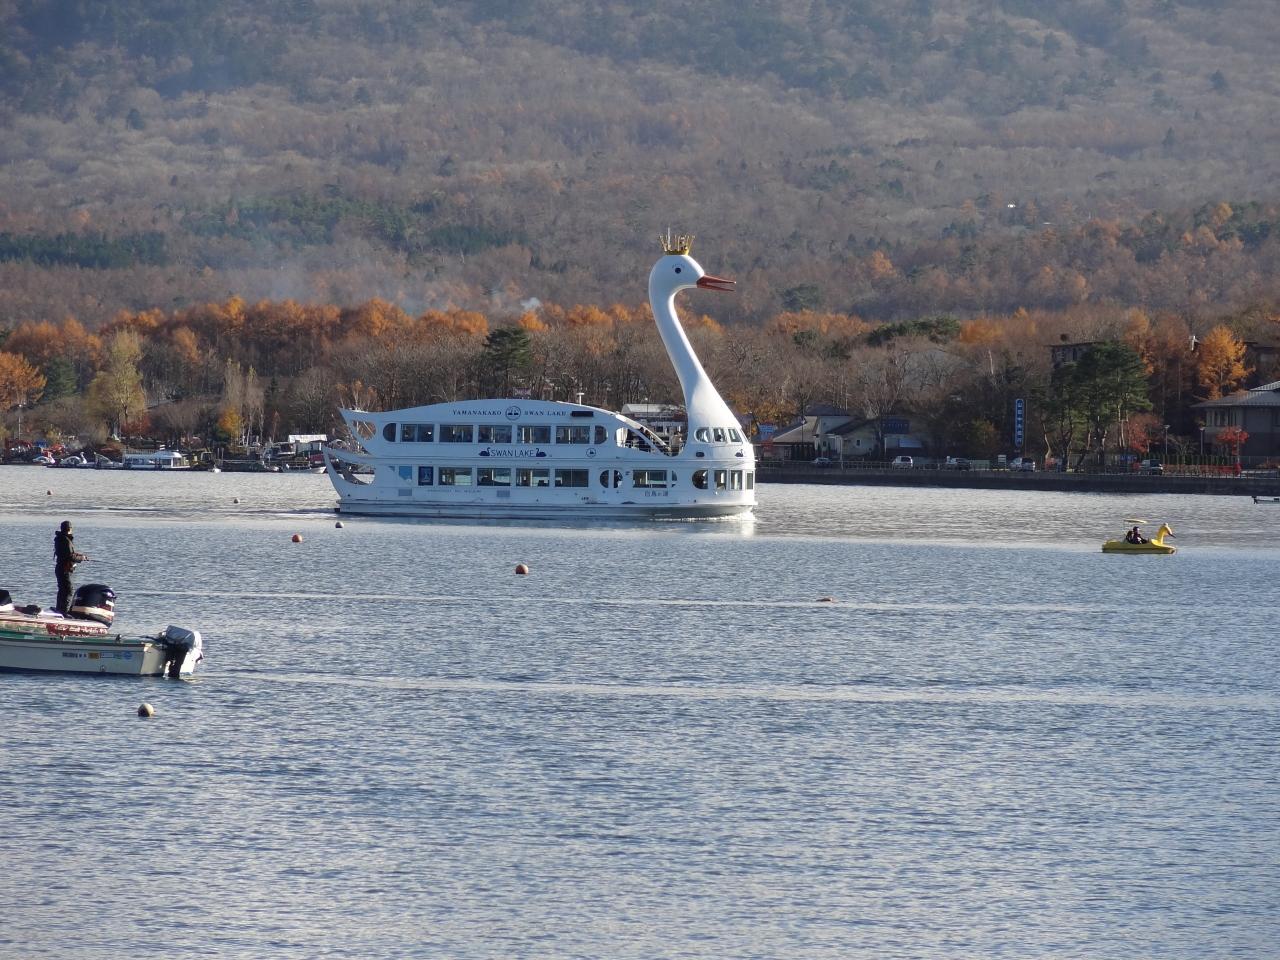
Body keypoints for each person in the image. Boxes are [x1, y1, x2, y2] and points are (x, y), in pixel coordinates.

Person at [53, 520, 87, 614]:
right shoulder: (66, 540)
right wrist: (82, 558)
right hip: (65, 569)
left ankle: (59, 610)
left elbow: (67, 553)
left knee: (62, 590)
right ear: (69, 529)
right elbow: (70, 557)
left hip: (60, 568)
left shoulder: (60, 538)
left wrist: (79, 555)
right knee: (68, 591)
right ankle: (64, 612)